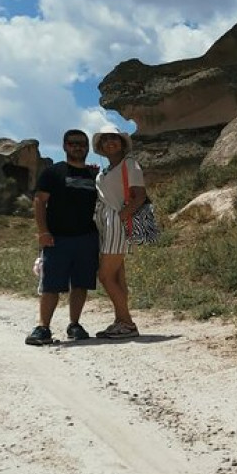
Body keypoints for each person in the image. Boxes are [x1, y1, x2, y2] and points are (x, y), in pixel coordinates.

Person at [25, 129, 99, 346]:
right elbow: (39, 201)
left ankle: (74, 325)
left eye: (82, 143)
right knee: (51, 285)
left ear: (87, 147)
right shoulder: (53, 173)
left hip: (86, 237)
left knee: (81, 284)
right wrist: (43, 232)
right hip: (57, 238)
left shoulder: (94, 175)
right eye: (73, 143)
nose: (78, 147)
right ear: (65, 146)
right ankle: (42, 328)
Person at [92, 125, 146, 339]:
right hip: (105, 223)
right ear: (101, 146)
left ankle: (128, 323)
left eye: (114, 138)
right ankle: (120, 320)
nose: (110, 142)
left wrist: (122, 216)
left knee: (105, 276)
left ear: (122, 143)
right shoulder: (104, 171)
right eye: (105, 139)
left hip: (116, 221)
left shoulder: (130, 165)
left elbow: (140, 195)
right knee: (117, 276)